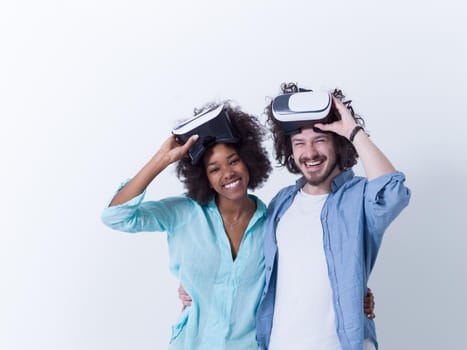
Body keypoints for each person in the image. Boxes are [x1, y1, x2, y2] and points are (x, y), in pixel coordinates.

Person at [102, 102, 272, 349]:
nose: (227, 173)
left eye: (233, 161)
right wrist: (160, 160)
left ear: (248, 161)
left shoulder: (272, 224)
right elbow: (116, 216)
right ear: (205, 178)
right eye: (214, 169)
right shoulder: (185, 213)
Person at [254, 83, 411, 350]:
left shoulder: (359, 197)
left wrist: (352, 131)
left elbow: (393, 194)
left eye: (320, 140)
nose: (310, 153)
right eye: (299, 143)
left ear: (338, 144)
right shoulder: (281, 203)